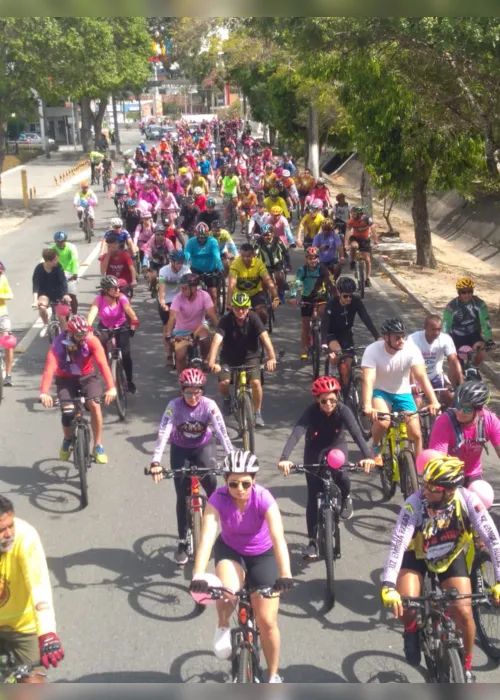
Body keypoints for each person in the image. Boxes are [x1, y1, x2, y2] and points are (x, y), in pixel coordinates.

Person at [380, 455, 500, 682]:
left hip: (449, 555)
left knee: (464, 613)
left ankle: (465, 666)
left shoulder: (467, 500)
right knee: (407, 606)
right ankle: (412, 628)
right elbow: (398, 542)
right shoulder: (414, 504)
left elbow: (493, 540)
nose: (425, 491)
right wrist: (388, 584)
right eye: (424, 484)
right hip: (416, 554)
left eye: (432, 488)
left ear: (449, 490)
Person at [190, 450, 293, 683]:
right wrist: (198, 573)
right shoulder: (217, 498)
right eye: (233, 483)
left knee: (267, 622)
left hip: (263, 555)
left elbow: (278, 538)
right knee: (228, 592)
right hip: (231, 551)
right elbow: (206, 537)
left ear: (254, 480)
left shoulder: (264, 498)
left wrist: (285, 573)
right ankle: (223, 624)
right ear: (225, 481)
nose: (240, 489)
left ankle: (273, 675)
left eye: (246, 483)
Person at [279, 376, 375, 555]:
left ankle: (346, 497)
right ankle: (313, 542)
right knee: (313, 495)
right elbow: (296, 433)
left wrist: (367, 456)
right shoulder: (311, 412)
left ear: (337, 397)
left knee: (342, 475)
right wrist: (284, 458)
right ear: (317, 400)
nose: (329, 404)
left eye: (333, 399)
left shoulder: (343, 410)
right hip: (314, 448)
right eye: (324, 401)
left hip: (336, 446)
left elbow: (356, 434)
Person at [149, 368, 233, 565]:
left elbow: (221, 432)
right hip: (180, 449)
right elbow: (164, 432)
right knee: (181, 495)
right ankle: (182, 542)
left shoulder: (209, 405)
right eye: (188, 392)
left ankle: (223, 532)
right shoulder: (174, 406)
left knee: (212, 485)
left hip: (204, 447)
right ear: (181, 391)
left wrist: (233, 457)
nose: (193, 397)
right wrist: (155, 461)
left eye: (197, 392)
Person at [0, 495, 64, 682]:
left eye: (10, 526)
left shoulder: (25, 536)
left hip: (23, 627)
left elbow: (39, 584)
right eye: (2, 530)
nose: (9, 534)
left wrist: (47, 633)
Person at [39, 315, 117, 464]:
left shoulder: (91, 340)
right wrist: (44, 393)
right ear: (70, 333)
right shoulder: (58, 344)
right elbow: (49, 369)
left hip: (87, 377)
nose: (84, 338)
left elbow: (103, 364)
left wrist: (111, 388)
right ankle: (67, 439)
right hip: (65, 380)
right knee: (68, 411)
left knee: (95, 405)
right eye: (80, 335)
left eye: (85, 333)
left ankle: (98, 446)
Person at [361, 318, 441, 461]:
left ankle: (419, 471)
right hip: (380, 391)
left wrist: (434, 401)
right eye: (397, 337)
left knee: (416, 433)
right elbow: (368, 379)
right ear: (386, 338)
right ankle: (376, 445)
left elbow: (421, 376)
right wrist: (367, 405)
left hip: (403, 392)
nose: (401, 340)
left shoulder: (411, 349)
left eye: (403, 336)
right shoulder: (372, 350)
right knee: (383, 421)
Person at [208, 292, 277, 427]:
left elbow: (265, 338)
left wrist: (272, 358)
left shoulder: (254, 318)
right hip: (229, 358)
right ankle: (227, 398)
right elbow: (216, 340)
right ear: (232, 308)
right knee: (224, 383)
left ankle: (257, 413)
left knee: (256, 383)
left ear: (248, 308)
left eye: (244, 308)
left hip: (251, 357)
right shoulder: (226, 320)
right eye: (237, 308)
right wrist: (212, 362)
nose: (240, 311)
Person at [429, 380, 500, 486]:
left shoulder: (489, 420)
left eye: (467, 409)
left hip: (472, 474)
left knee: (480, 494)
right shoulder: (444, 422)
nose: (460, 412)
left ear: (478, 410)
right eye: (458, 406)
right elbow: (438, 460)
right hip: (447, 474)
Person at [321, 276, 379, 393]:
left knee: (348, 365)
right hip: (331, 334)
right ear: (339, 293)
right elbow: (325, 324)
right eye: (345, 296)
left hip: (346, 333)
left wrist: (377, 336)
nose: (349, 299)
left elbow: (365, 318)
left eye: (351, 295)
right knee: (338, 352)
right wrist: (323, 343)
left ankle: (346, 392)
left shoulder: (356, 301)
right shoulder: (332, 303)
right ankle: (332, 370)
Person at [87, 276, 140, 394]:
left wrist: (134, 319)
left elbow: (128, 309)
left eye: (118, 288)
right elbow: (92, 312)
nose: (118, 290)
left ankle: (129, 381)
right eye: (114, 288)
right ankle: (106, 374)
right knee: (101, 354)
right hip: (105, 328)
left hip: (121, 327)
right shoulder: (99, 299)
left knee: (126, 355)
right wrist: (88, 326)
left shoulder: (121, 297)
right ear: (106, 290)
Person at [164, 273, 218, 373]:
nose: (182, 290)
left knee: (205, 339)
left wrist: (220, 330)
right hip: (181, 331)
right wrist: (168, 334)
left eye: (185, 288)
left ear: (193, 288)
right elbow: (172, 317)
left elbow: (211, 314)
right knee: (180, 357)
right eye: (181, 288)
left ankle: (204, 359)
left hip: (199, 327)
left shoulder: (204, 296)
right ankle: (182, 382)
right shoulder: (178, 298)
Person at [289, 246, 336, 361]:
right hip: (307, 298)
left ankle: (325, 340)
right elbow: (297, 282)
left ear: (318, 258)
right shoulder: (302, 270)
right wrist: (293, 296)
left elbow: (331, 283)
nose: (312, 260)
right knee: (305, 325)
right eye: (310, 258)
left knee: (323, 314)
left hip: (321, 297)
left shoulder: (323, 269)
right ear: (306, 259)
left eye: (314, 258)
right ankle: (305, 349)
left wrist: (337, 296)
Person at [409, 314, 462, 407]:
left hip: (435, 375)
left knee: (451, 397)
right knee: (417, 402)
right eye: (433, 329)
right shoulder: (413, 339)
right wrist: (413, 384)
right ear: (425, 327)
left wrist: (461, 383)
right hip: (417, 377)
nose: (437, 332)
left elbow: (454, 360)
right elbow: (409, 362)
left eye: (439, 329)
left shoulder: (445, 339)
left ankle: (448, 419)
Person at [442, 277, 493, 367]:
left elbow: (486, 320)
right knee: (456, 364)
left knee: (482, 352)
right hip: (456, 335)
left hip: (473, 333)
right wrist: (443, 339)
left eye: (470, 291)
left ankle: (474, 368)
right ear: (459, 293)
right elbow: (446, 324)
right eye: (464, 292)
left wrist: (489, 337)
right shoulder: (451, 306)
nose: (467, 295)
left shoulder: (479, 303)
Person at [227, 243, 279, 326]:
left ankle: (260, 334)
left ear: (253, 255)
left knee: (262, 314)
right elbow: (231, 285)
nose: (245, 259)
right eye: (243, 256)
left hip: (256, 293)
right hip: (240, 294)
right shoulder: (235, 264)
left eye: (248, 256)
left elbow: (269, 281)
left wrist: (276, 297)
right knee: (235, 318)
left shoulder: (259, 264)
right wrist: (228, 303)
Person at [158, 250, 192, 365]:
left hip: (181, 299)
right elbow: (161, 289)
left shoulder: (186, 270)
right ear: (171, 262)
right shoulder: (163, 271)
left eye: (181, 262)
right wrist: (162, 302)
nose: (180, 264)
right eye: (177, 262)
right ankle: (168, 353)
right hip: (167, 300)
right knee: (167, 326)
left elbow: (190, 287)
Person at [184, 223, 224, 306]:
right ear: (196, 234)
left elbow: (216, 255)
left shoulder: (213, 241)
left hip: (211, 269)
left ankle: (214, 313)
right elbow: (186, 255)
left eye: (204, 237)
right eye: (200, 237)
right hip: (196, 270)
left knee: (213, 293)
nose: (202, 240)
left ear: (208, 234)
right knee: (192, 291)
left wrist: (220, 267)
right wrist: (185, 268)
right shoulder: (191, 242)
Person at [32, 249, 72, 328]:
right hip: (44, 293)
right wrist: (35, 301)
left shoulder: (58, 267)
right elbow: (35, 285)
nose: (57, 261)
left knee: (62, 317)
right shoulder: (39, 268)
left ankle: (64, 336)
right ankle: (46, 324)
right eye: (55, 260)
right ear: (48, 261)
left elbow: (63, 282)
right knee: (42, 307)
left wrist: (65, 294)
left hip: (58, 293)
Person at [254, 225, 290, 301]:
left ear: (273, 234)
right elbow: (254, 254)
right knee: (263, 282)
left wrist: (288, 265)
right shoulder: (259, 241)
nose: (266, 237)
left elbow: (285, 253)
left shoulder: (277, 240)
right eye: (264, 235)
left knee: (279, 277)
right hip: (265, 264)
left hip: (277, 262)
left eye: (268, 235)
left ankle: (280, 292)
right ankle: (265, 295)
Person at [50, 232, 79, 314]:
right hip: (56, 272)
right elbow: (45, 260)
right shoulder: (52, 248)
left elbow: (75, 259)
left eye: (62, 241)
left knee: (72, 295)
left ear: (65, 240)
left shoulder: (71, 247)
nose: (60, 244)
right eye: (57, 242)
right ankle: (54, 316)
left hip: (69, 272)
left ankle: (75, 314)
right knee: (53, 295)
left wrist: (75, 272)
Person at [348, 205, 376, 288]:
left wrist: (375, 241)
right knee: (354, 246)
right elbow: (348, 232)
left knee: (367, 259)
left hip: (365, 240)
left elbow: (373, 229)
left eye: (354, 214)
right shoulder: (351, 221)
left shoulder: (367, 219)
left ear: (360, 214)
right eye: (352, 213)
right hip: (355, 238)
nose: (352, 215)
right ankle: (352, 261)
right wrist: (346, 244)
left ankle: (367, 279)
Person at [0, 261, 14, 387]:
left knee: (7, 343)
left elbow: (9, 294)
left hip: (2, 314)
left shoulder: (3, 278)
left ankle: (8, 375)